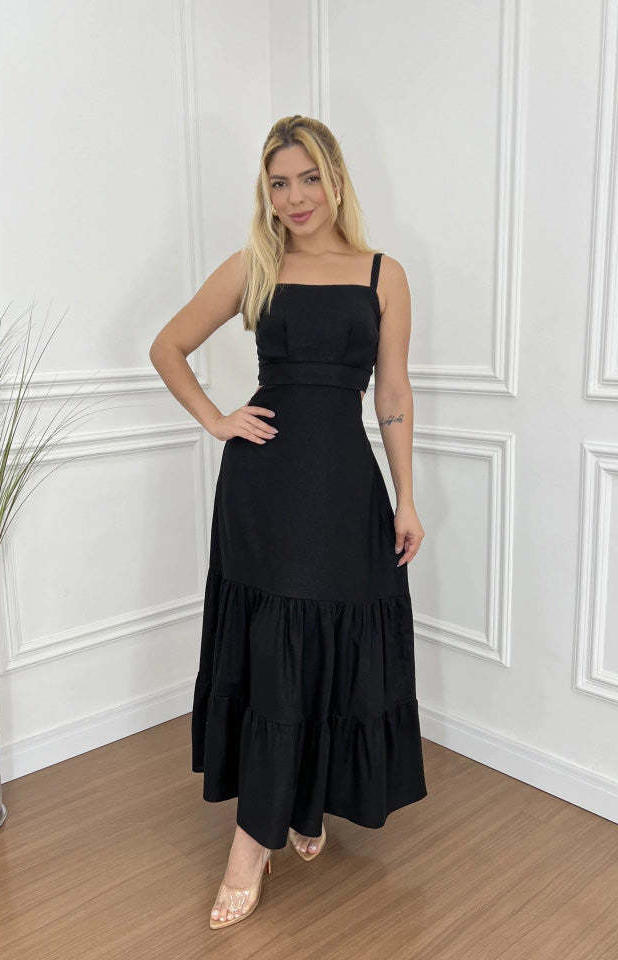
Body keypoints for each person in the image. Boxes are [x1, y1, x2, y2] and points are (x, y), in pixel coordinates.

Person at [149, 114, 427, 930]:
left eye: (308, 178)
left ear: (335, 180)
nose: (295, 197)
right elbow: (168, 346)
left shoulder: (383, 274)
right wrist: (217, 419)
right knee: (277, 648)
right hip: (265, 487)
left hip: (344, 486)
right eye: (279, 183)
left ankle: (306, 801)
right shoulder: (255, 265)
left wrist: (407, 496)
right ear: (266, 192)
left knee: (331, 638)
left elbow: (393, 393)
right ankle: (251, 843)